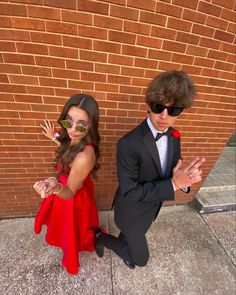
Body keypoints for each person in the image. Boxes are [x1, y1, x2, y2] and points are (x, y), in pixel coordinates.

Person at [94, 70, 205, 269]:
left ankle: (124, 242)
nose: (164, 116)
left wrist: (185, 180)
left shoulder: (174, 135)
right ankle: (101, 237)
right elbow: (130, 192)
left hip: (151, 210)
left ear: (181, 111)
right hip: (131, 212)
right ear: (148, 105)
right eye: (158, 107)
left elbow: (175, 167)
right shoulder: (128, 144)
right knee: (140, 260)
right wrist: (173, 184)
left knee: (132, 237)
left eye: (173, 110)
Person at [33, 94, 103, 275]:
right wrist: (53, 136)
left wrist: (54, 185)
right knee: (69, 230)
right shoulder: (75, 138)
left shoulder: (84, 157)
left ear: (90, 126)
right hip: (66, 188)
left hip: (72, 197)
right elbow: (69, 145)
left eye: (81, 125)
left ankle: (83, 250)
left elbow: (70, 192)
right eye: (67, 122)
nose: (72, 129)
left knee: (71, 232)